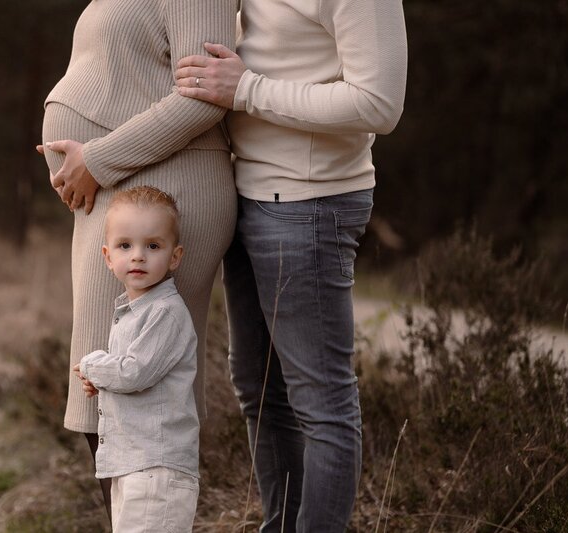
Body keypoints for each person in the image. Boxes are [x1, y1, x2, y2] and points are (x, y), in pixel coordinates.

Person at [174, 1, 408, 531]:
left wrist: (246, 90)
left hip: (310, 202)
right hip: (245, 193)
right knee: (258, 388)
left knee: (321, 402)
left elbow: (379, 104)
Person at [38, 0, 237, 520]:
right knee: (104, 399)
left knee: (136, 398)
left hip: (163, 188)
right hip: (125, 189)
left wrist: (97, 159)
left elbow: (203, 97)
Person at [73, 186, 200, 533]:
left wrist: (93, 365)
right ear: (108, 256)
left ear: (174, 257)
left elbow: (133, 373)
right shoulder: (132, 312)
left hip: (156, 469)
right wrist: (103, 381)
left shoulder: (165, 312)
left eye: (153, 246)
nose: (138, 256)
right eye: (125, 246)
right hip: (134, 465)